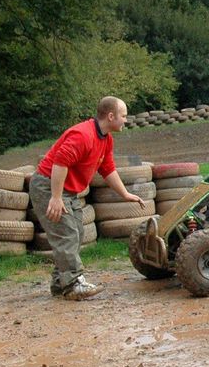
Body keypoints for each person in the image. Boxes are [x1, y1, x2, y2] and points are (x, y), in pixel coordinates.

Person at [31, 97, 143, 300]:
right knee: (67, 234)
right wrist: (55, 198)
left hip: (66, 190)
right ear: (111, 116)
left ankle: (60, 283)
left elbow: (108, 169)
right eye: (124, 116)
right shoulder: (83, 135)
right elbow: (59, 163)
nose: (126, 120)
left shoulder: (106, 139)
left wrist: (125, 194)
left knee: (77, 232)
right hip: (49, 185)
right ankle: (73, 283)